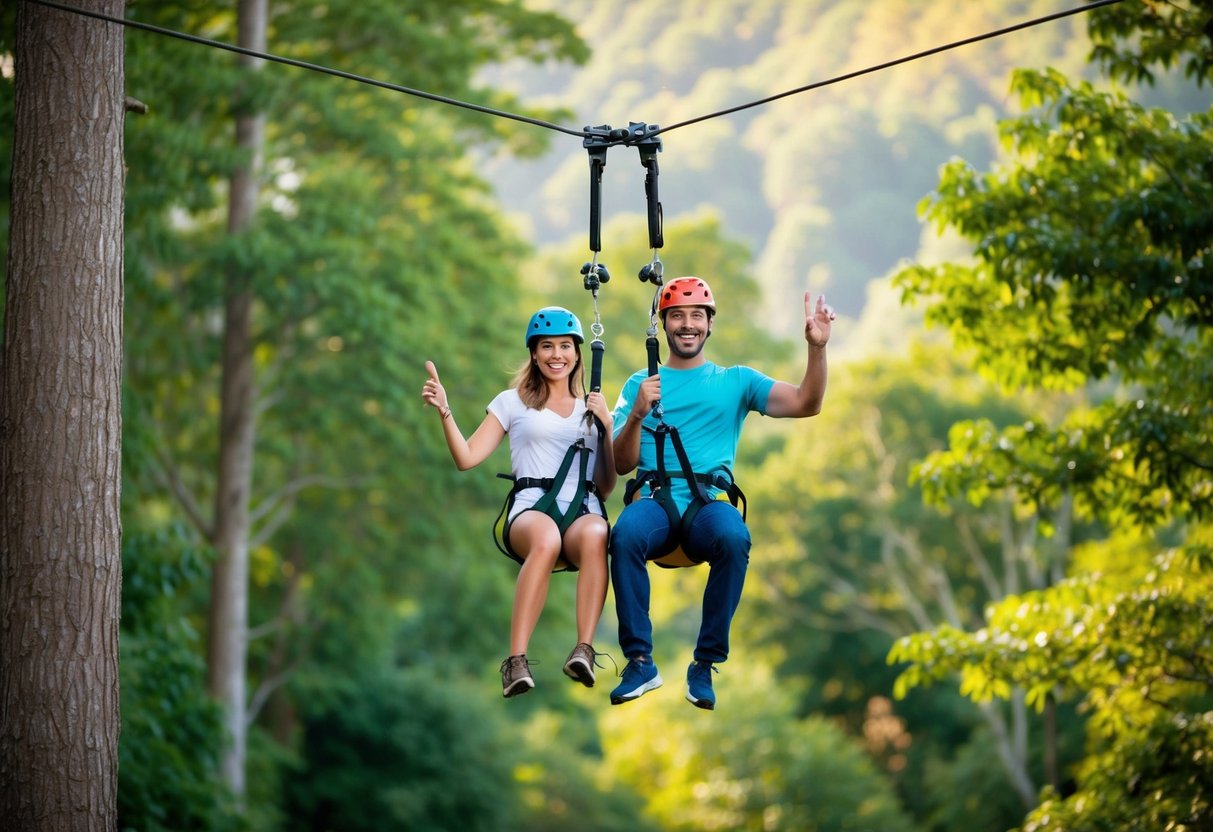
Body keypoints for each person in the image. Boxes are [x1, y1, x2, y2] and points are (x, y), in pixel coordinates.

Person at [608, 277, 834, 709]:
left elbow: (808, 402)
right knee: (624, 536)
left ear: (710, 325)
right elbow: (620, 464)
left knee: (734, 536)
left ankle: (705, 664)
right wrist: (637, 412)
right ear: (665, 325)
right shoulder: (641, 382)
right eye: (677, 316)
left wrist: (817, 348)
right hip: (655, 500)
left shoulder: (737, 382)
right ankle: (640, 661)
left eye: (696, 316)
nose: (687, 325)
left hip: (707, 504)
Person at [422, 306, 616, 698]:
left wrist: (607, 428)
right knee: (546, 540)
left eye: (565, 346)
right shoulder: (512, 402)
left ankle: (583, 648)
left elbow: (606, 485)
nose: (556, 355)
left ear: (578, 353)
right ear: (533, 353)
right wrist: (445, 411)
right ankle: (516, 660)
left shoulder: (591, 408)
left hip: (581, 506)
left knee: (599, 532)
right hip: (532, 507)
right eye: (547, 346)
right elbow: (467, 457)